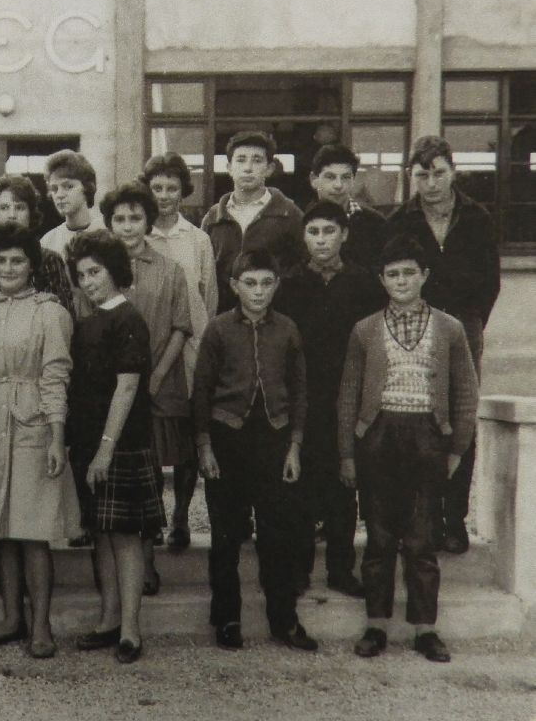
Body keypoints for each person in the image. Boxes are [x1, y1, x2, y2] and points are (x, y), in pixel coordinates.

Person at [339, 236, 479, 663]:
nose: (401, 281)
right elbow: (348, 394)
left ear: (424, 276)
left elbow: (465, 393)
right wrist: (347, 451)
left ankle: (425, 629)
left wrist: (456, 447)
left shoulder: (450, 328)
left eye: (409, 273)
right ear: (382, 280)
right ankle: (376, 625)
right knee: (379, 537)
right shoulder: (364, 330)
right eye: (393, 274)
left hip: (426, 437)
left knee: (421, 538)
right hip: (378, 436)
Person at [193, 249, 316, 653]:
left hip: (275, 439)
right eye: (249, 283)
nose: (258, 291)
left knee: (277, 535)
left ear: (277, 284)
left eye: (266, 282)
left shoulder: (288, 330)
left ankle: (284, 619)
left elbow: (300, 393)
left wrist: (295, 446)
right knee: (226, 536)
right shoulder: (217, 330)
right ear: (233, 286)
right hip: (228, 438)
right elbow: (201, 394)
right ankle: (227, 618)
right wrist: (205, 447)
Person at [0, 222, 78, 659]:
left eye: (17, 260)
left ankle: (42, 626)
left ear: (32, 266)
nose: (8, 268)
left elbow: (56, 377)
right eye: (0, 260)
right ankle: (12, 618)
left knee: (33, 531)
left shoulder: (51, 312)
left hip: (34, 419)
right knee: (1, 530)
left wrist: (56, 436)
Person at [386, 135, 500, 555]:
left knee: (460, 419)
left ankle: (455, 519)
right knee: (422, 417)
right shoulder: (401, 220)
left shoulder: (477, 217)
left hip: (464, 326)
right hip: (418, 328)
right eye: (422, 174)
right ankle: (426, 518)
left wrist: (469, 325)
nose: (431, 183)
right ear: (411, 176)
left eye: (438, 173)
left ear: (452, 171)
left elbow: (491, 280)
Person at [274, 201, 385, 598]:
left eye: (329, 231)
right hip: (303, 396)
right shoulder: (289, 284)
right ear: (304, 237)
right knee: (300, 482)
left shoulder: (364, 284)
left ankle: (341, 568)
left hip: (347, 395)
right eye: (314, 232)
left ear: (345, 235)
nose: (321, 240)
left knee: (344, 481)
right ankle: (299, 569)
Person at [65, 230, 161, 665]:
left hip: (120, 442)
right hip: (89, 441)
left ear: (115, 271)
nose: (88, 281)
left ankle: (130, 630)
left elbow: (126, 390)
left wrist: (105, 449)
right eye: (82, 274)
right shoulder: (87, 322)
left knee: (124, 535)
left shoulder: (129, 321)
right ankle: (107, 620)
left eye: (96, 271)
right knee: (100, 534)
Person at [98, 183, 191, 594]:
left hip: (156, 385)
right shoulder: (97, 271)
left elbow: (180, 327)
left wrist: (154, 377)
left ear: (148, 221)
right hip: (111, 389)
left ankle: (148, 557)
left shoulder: (170, 269)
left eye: (135, 217)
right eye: (119, 218)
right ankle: (114, 558)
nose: (127, 225)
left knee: (150, 474)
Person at [140, 154, 217, 552]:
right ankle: (153, 516)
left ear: (183, 191)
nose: (165, 196)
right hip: (154, 350)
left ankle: (183, 516)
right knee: (152, 437)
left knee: (187, 436)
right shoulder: (137, 235)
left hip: (190, 351)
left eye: (172, 188)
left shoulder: (198, 239)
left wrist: (204, 348)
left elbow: (209, 298)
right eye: (157, 188)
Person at [201, 131, 304, 313]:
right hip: (224, 319)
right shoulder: (213, 218)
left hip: (275, 319)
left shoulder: (290, 214)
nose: (248, 168)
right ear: (229, 167)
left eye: (257, 160)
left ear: (269, 168)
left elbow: (302, 267)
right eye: (241, 160)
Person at [0, 174, 75, 313]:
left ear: (30, 213)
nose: (12, 214)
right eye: (4, 207)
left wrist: (55, 302)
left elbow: (64, 313)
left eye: (19, 207)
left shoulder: (48, 259)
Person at [307, 144, 388, 275]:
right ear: (314, 180)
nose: (338, 185)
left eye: (345, 177)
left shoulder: (376, 224)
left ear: (353, 180)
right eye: (330, 177)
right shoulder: (301, 222)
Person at [39, 150, 105, 259]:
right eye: (54, 189)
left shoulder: (108, 233)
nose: (59, 195)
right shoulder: (48, 242)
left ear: (87, 187)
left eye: (68, 187)